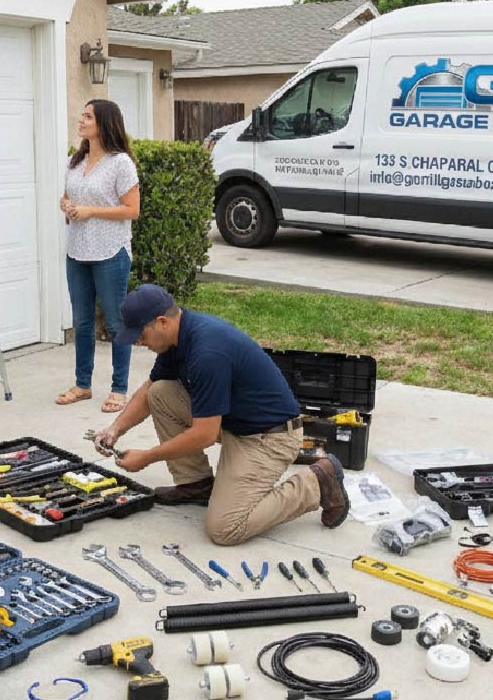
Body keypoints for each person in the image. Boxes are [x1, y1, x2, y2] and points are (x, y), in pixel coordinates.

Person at [91, 284, 350, 546]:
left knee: (225, 528)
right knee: (159, 392)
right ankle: (197, 484)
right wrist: (115, 429)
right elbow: (148, 391)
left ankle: (316, 482)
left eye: (140, 334)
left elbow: (204, 434)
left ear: (162, 322)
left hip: (269, 438)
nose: (139, 342)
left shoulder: (207, 353)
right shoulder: (177, 338)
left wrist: (147, 457)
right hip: (236, 423)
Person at [56, 100, 141, 413]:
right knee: (81, 323)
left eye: (87, 116)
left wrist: (91, 210)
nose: (81, 120)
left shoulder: (121, 164)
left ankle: (119, 389)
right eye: (82, 115)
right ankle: (83, 385)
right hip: (77, 250)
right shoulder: (74, 161)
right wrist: (66, 205)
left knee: (117, 323)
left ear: (104, 124)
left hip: (110, 251)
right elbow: (68, 196)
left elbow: (133, 210)